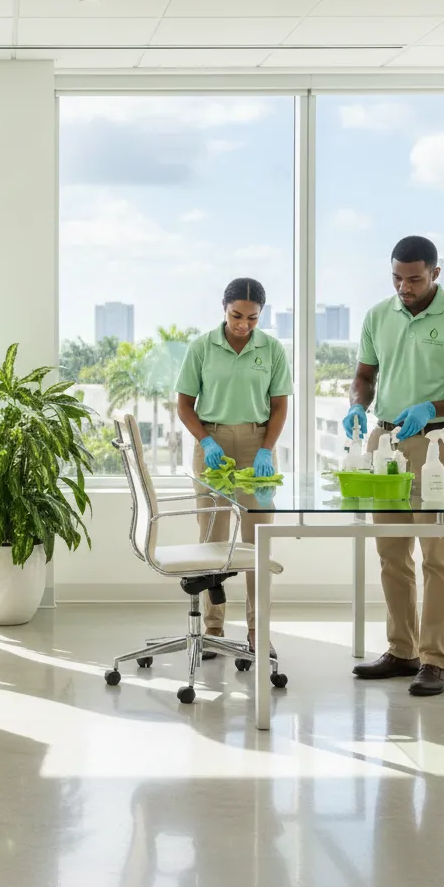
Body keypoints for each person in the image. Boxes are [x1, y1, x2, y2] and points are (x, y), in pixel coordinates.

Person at [344, 235, 444, 696]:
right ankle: (402, 651)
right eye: (397, 278)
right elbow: (365, 376)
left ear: (435, 273)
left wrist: (431, 406)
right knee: (391, 551)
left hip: (437, 444)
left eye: (414, 279)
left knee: (437, 554)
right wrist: (356, 402)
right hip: (383, 439)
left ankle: (435, 660)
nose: (404, 287)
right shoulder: (377, 316)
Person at [176, 277, 292, 656]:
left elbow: (279, 407)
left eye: (252, 318)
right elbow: (184, 404)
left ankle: (259, 630)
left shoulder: (271, 350)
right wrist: (205, 440)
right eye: (236, 316)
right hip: (212, 442)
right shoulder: (202, 348)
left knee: (257, 542)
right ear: (224, 309)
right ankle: (212, 626)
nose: (244, 324)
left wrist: (266, 451)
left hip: (258, 444)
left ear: (262, 315)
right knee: (213, 538)